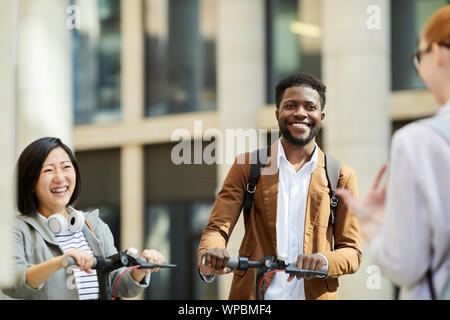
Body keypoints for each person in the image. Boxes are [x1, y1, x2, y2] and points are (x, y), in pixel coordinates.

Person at [197, 72, 362, 300]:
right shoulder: (247, 167)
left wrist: (324, 261)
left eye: (310, 107)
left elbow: (352, 252)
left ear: (321, 116)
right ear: (277, 114)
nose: (300, 113)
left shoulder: (341, 176)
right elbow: (217, 228)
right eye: (291, 105)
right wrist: (212, 252)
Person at [335, 5, 450, 300]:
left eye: (418, 57)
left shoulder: (419, 142)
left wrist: (372, 226)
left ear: (438, 52)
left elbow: (405, 265)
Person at [2, 137, 165, 300]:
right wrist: (60, 262)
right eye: (48, 170)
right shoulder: (15, 229)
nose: (60, 178)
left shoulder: (93, 224)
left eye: (66, 167)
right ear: (30, 182)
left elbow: (117, 284)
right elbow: (13, 284)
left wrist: (140, 269)